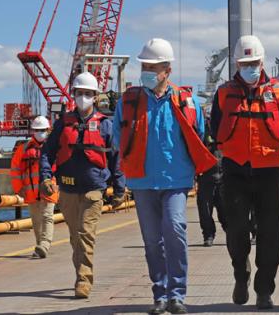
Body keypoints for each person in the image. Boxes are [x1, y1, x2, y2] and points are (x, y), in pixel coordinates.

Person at [114, 38, 216, 314]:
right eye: (144, 66)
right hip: (142, 180)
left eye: (152, 67)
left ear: (167, 70)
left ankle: (177, 294)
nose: (146, 71)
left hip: (176, 180)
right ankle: (160, 294)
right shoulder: (128, 102)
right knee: (152, 240)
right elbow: (117, 138)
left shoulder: (186, 101)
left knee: (175, 229)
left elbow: (200, 135)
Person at [211, 35, 279, 310]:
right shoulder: (224, 93)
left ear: (262, 62)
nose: (250, 67)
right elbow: (214, 129)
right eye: (245, 63)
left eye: (255, 62)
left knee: (271, 232)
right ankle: (241, 274)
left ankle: (264, 288)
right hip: (235, 169)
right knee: (236, 229)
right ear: (237, 63)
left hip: (269, 170)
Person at [40, 72, 125, 299]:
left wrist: (119, 189)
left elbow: (116, 159)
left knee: (86, 234)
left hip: (93, 190)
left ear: (95, 97)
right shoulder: (62, 124)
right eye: (80, 93)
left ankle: (83, 279)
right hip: (67, 190)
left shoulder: (105, 126)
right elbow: (47, 152)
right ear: (74, 94)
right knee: (75, 237)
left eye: (88, 94)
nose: (83, 97)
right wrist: (46, 177)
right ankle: (81, 272)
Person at [11, 115, 58, 259]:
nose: (40, 132)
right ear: (33, 131)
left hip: (49, 190)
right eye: (37, 130)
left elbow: (61, 167)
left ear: (48, 129)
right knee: (36, 220)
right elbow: (15, 169)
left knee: (47, 217)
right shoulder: (23, 148)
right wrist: (19, 188)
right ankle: (40, 245)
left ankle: (44, 245)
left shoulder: (54, 147)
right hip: (30, 192)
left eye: (42, 130)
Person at [196, 120, 227, 247]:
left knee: (225, 211)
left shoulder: (226, 128)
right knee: (205, 211)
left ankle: (230, 233)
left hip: (223, 178)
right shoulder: (201, 131)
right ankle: (208, 235)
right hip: (206, 178)